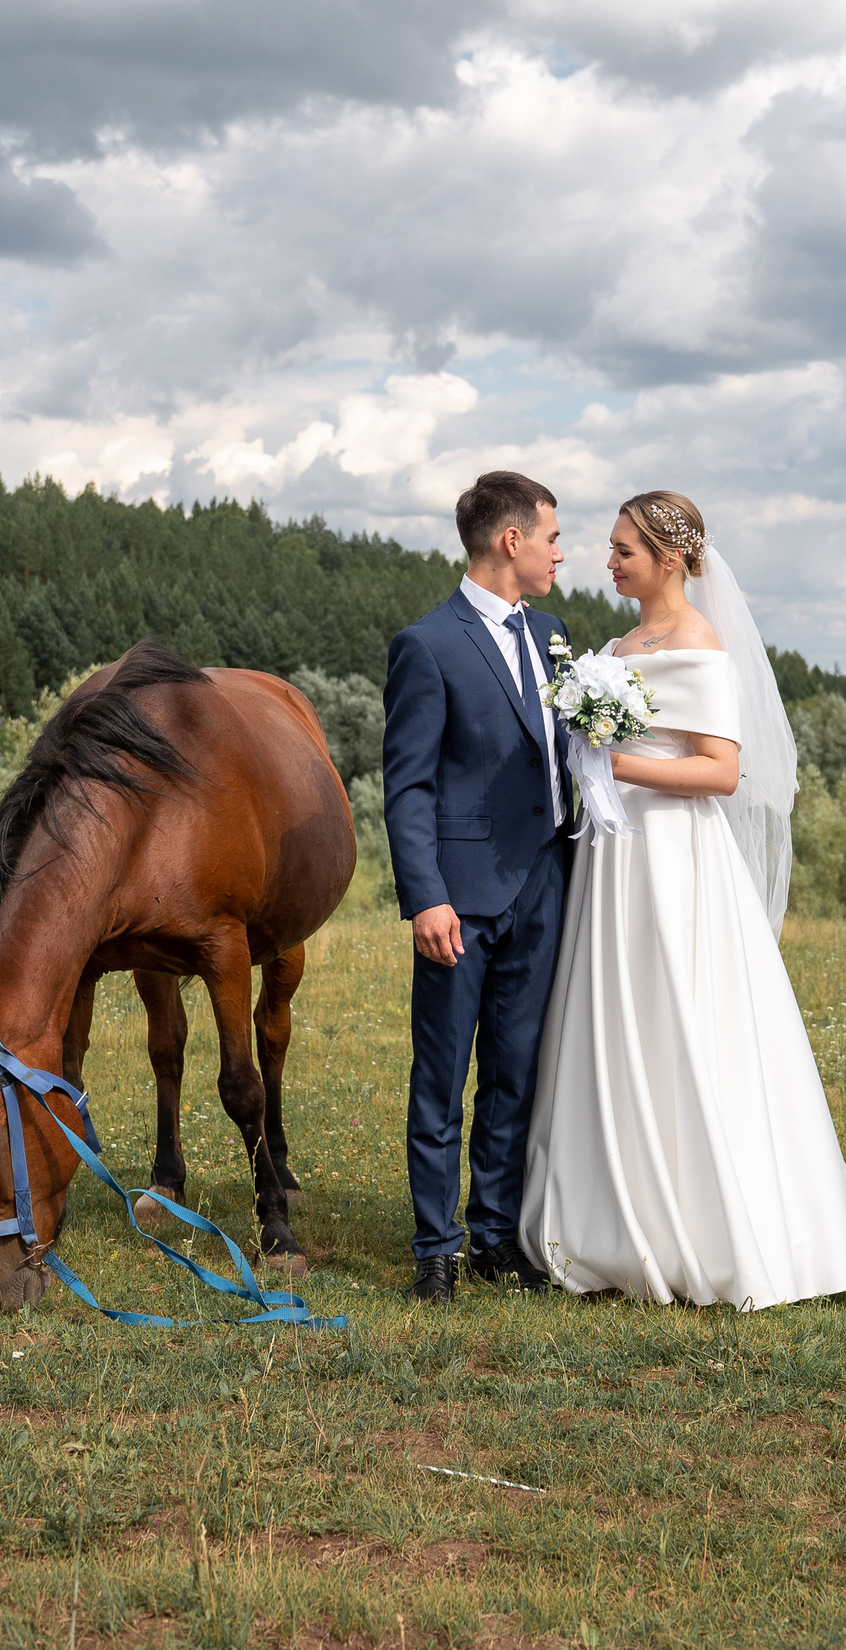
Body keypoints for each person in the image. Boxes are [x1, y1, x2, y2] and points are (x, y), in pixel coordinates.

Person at [518, 491, 846, 1310]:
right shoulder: (617, 647)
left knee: (678, 1012)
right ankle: (608, 1214)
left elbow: (721, 771)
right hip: (613, 857)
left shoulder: (699, 643)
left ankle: (708, 1222)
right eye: (611, 548)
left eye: (624, 550)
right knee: (614, 1015)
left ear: (671, 558)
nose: (609, 562)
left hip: (675, 857)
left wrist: (614, 762)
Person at [382, 470, 575, 1303]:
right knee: (441, 1077)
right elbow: (408, 786)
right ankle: (436, 1250)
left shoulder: (555, 635)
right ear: (511, 539)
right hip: (458, 900)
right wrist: (426, 896)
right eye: (553, 538)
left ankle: (496, 1235)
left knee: (514, 1071)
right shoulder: (427, 645)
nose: (560, 554)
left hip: (546, 885)